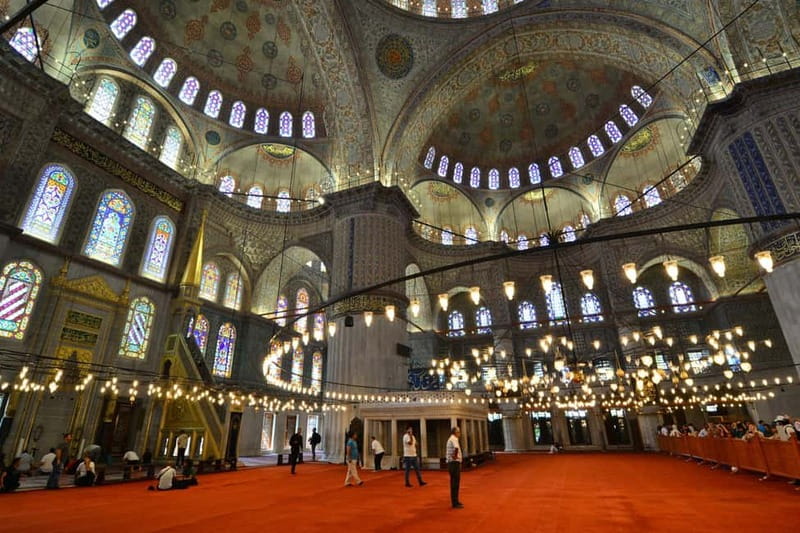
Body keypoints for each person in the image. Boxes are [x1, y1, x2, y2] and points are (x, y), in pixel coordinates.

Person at [446, 427, 464, 509]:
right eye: (458, 432)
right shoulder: (453, 439)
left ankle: (456, 501)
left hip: (453, 462)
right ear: (455, 432)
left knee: (455, 483)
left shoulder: (452, 439)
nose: (459, 433)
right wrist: (455, 457)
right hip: (454, 463)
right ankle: (455, 502)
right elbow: (456, 448)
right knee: (455, 483)